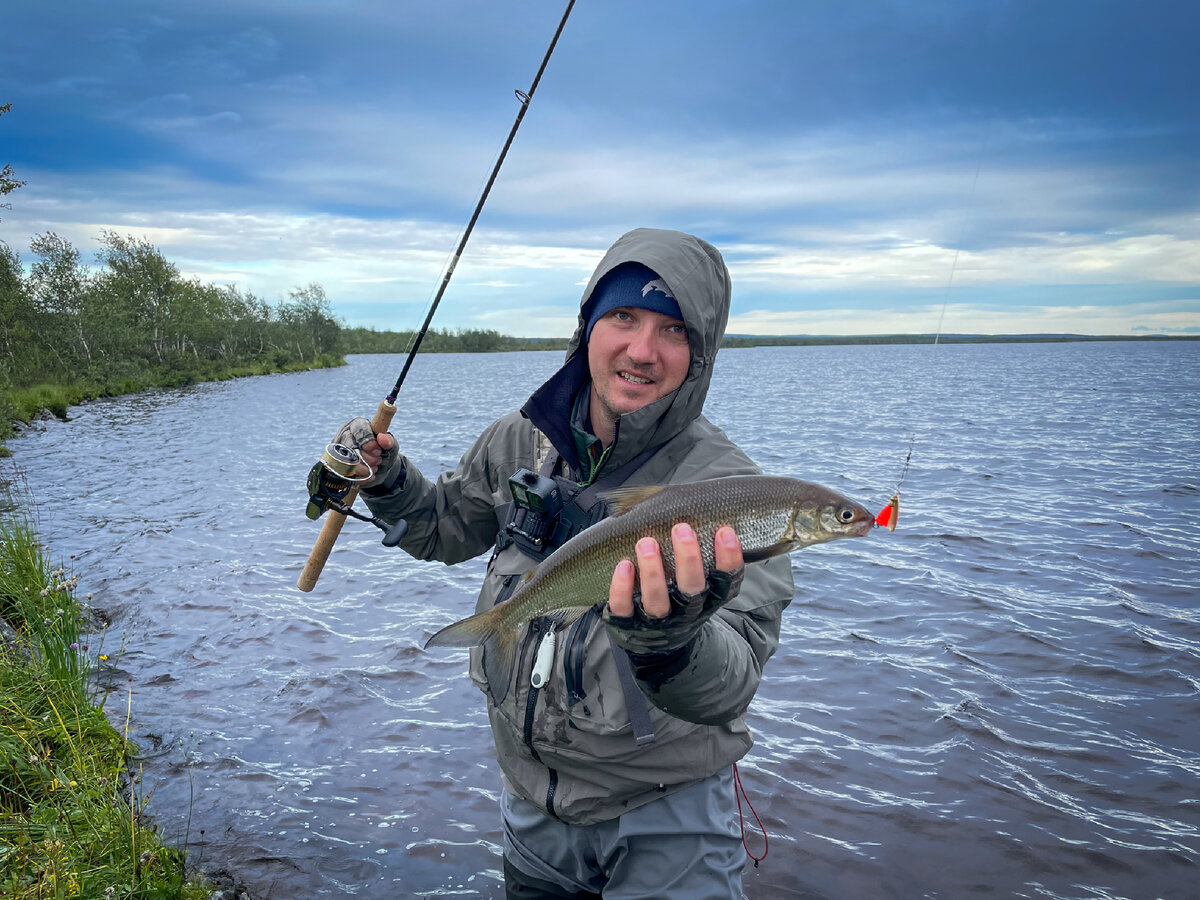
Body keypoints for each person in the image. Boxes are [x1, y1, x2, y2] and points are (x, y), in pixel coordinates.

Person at [333, 227, 794, 898]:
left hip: (670, 818)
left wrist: (671, 643)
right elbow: (444, 530)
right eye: (625, 317)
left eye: (673, 331)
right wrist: (387, 481)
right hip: (531, 806)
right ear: (588, 327)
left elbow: (733, 683)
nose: (641, 350)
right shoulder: (520, 438)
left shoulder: (737, 495)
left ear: (699, 354)